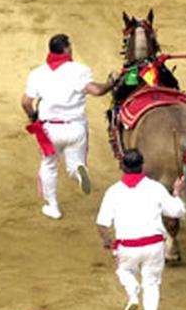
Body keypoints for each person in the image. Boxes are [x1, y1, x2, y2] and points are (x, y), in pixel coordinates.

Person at [21, 33, 117, 220]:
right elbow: (97, 91)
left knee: (49, 165)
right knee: (75, 164)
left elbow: (25, 102)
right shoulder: (79, 70)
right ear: (65, 49)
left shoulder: (38, 73)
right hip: (75, 127)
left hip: (50, 129)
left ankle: (53, 207)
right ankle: (79, 174)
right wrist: (111, 83)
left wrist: (33, 117)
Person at [96, 149, 186, 310]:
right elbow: (177, 212)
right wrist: (177, 192)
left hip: (127, 246)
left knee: (124, 272)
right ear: (142, 166)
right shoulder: (155, 188)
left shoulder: (113, 191)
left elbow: (102, 224)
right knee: (152, 284)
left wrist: (107, 241)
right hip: (153, 245)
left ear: (122, 166)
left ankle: (133, 292)